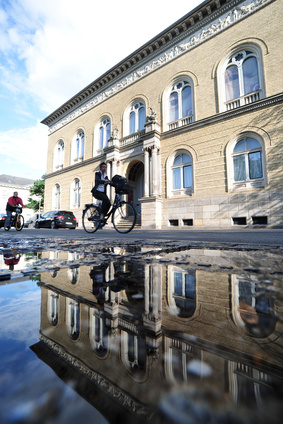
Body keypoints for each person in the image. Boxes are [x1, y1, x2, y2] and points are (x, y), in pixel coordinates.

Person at [91, 162, 111, 227]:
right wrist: (104, 181)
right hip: (97, 192)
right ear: (100, 168)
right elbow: (97, 180)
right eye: (103, 167)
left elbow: (109, 182)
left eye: (105, 167)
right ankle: (102, 215)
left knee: (109, 203)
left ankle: (104, 215)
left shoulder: (106, 176)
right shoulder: (97, 174)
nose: (104, 168)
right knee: (105, 199)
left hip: (102, 192)